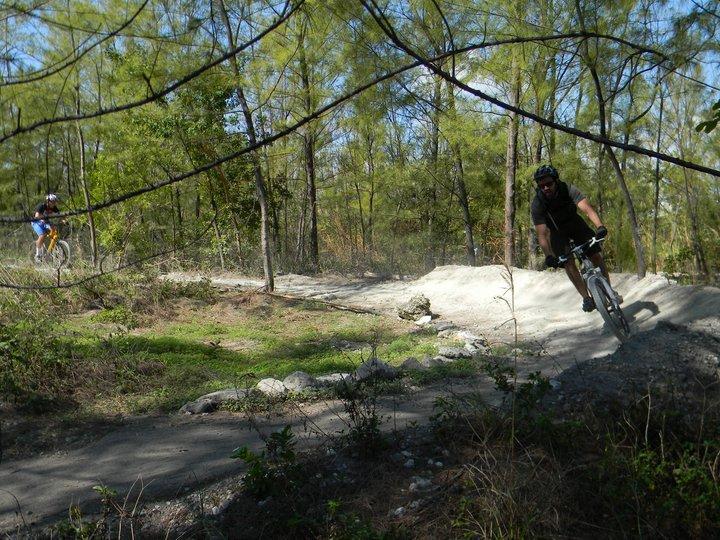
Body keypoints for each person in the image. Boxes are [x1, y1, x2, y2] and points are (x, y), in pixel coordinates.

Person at [530, 165, 621, 312]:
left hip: (576, 225)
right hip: (557, 233)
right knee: (568, 263)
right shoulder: (537, 203)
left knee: (595, 256)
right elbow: (542, 234)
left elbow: (587, 209)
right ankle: (586, 298)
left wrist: (600, 226)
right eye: (541, 186)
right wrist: (548, 256)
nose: (545, 188)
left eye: (549, 184)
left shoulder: (567, 189)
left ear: (556, 181)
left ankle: (610, 291)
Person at [31, 193, 60, 262]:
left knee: (54, 230)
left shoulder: (54, 207)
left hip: (45, 222)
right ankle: (37, 255)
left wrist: (64, 220)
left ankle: (47, 248)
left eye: (55, 202)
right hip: (36, 222)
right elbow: (36, 216)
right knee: (42, 235)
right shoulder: (42, 206)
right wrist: (42, 218)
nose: (54, 203)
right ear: (48, 201)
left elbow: (60, 215)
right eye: (52, 202)